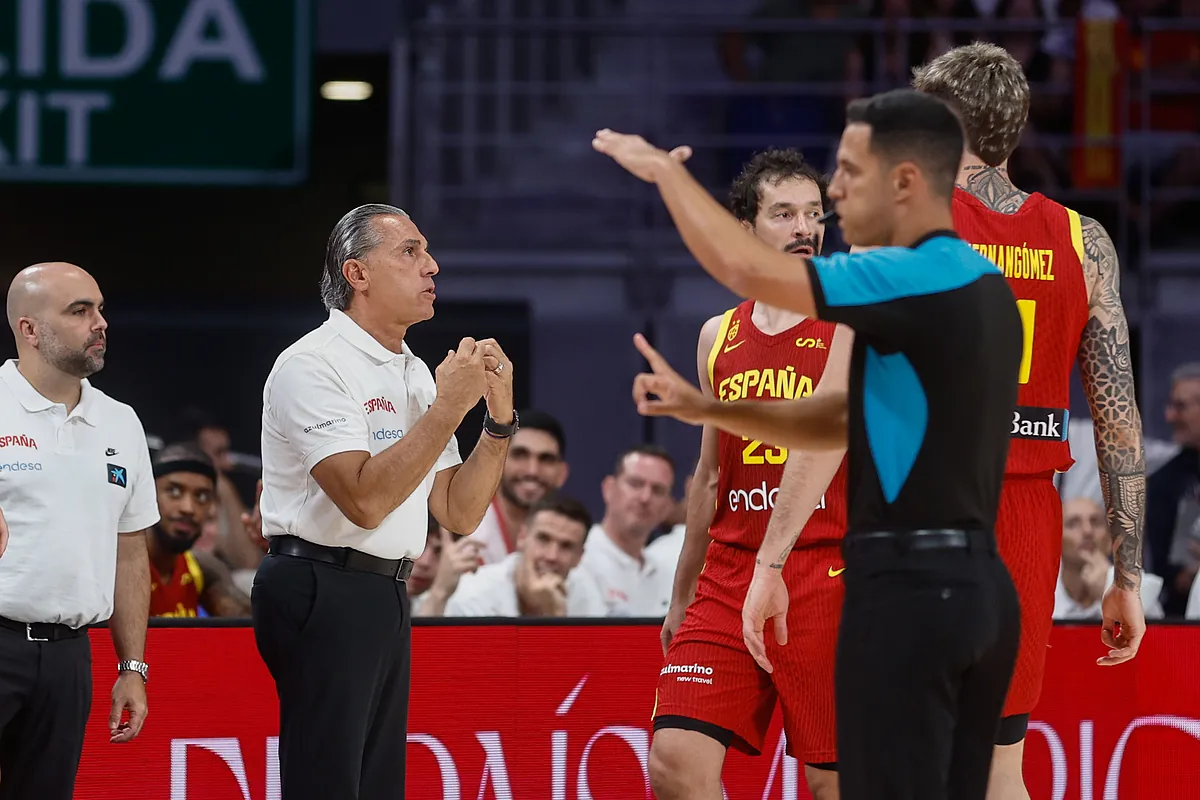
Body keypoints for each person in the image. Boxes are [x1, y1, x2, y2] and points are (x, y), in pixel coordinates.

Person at [595, 88, 1026, 798]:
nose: (833, 192)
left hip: (896, 583)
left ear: (905, 183)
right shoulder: (976, 284)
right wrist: (706, 405)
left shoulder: (898, 278)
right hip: (962, 583)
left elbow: (746, 270)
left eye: (849, 172)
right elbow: (830, 421)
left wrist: (667, 176)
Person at [912, 43, 1148, 800]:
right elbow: (1119, 427)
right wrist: (1127, 577)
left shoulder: (910, 221)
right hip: (1026, 524)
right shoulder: (1086, 242)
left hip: (924, 509)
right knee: (999, 764)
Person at [252, 204, 516, 800]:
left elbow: (457, 509)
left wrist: (498, 423)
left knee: (375, 787)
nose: (433, 266)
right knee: (327, 782)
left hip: (384, 589)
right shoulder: (311, 365)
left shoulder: (415, 372)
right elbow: (365, 501)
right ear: (357, 274)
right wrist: (449, 407)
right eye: (411, 251)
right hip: (319, 578)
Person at [648, 148, 851, 800]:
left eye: (814, 214)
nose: (804, 228)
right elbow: (710, 477)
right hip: (732, 572)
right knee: (675, 763)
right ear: (745, 230)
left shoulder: (852, 320)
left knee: (832, 781)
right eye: (784, 213)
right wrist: (684, 591)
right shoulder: (719, 335)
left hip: (828, 570)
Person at [0, 262, 158, 799]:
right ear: (29, 330)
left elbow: (131, 550)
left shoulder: (122, 422)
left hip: (70, 657)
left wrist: (132, 665)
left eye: (99, 308)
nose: (101, 322)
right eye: (79, 311)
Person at [445, 493, 606, 617]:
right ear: (522, 538)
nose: (551, 556)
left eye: (566, 546)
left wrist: (555, 615)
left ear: (579, 557)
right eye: (543, 539)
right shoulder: (474, 595)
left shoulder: (586, 595)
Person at [146, 443, 252, 618]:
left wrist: (275, 552)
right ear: (147, 493)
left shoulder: (203, 568)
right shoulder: (117, 565)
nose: (188, 508)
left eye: (201, 496)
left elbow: (252, 632)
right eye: (174, 491)